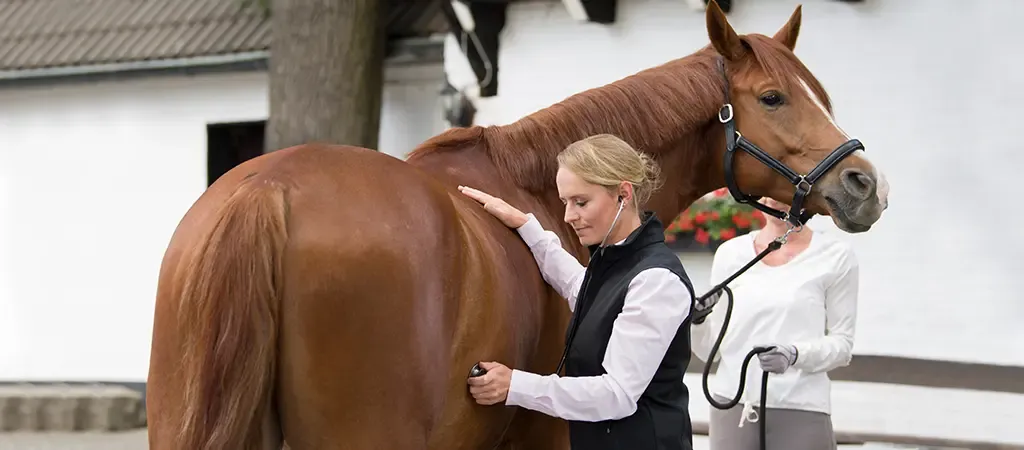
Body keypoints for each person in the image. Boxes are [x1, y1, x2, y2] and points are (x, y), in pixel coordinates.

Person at [457, 133, 703, 450]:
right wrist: (525, 226)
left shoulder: (656, 280)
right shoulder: (616, 262)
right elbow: (580, 287)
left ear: (623, 195)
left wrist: (514, 385)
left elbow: (617, 396)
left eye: (581, 202)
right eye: (565, 202)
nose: (568, 216)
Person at [691, 196, 860, 450]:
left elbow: (842, 345)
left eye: (783, 191)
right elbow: (710, 352)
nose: (772, 199)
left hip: (801, 407)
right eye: (765, 191)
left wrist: (795, 355)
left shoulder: (835, 256)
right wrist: (698, 321)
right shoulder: (731, 254)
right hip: (733, 405)